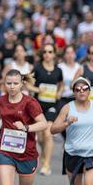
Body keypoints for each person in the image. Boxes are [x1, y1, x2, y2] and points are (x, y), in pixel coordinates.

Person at [31, 44, 63, 175]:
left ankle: (46, 164)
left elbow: (61, 84)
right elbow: (26, 82)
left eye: (50, 51)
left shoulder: (58, 70)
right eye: (45, 52)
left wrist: (60, 92)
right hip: (38, 106)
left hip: (52, 105)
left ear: (54, 54)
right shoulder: (37, 68)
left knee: (48, 133)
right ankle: (44, 155)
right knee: (40, 138)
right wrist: (37, 89)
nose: (47, 54)